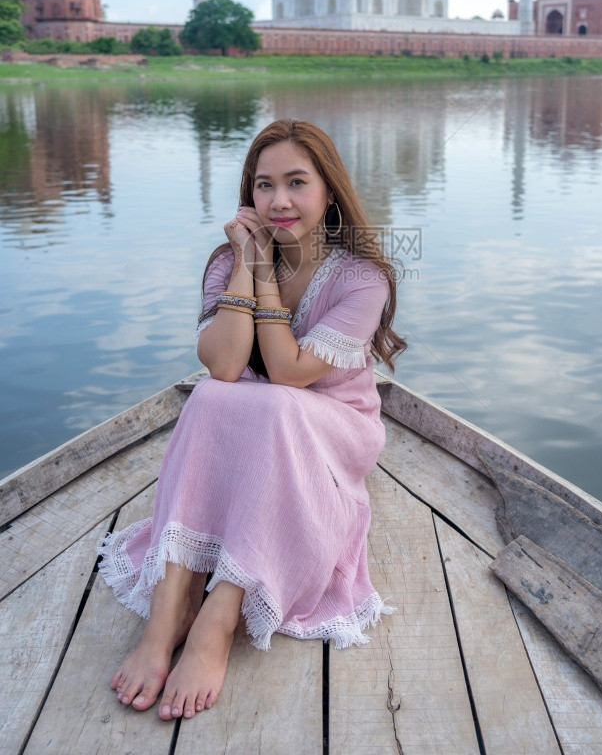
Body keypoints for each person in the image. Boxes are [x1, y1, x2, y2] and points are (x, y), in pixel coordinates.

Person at [100, 118, 406, 721]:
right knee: (213, 397)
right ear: (249, 194)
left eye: (297, 182)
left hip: (333, 428)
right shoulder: (226, 261)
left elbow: (290, 373)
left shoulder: (359, 277)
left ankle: (218, 616)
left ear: (328, 190)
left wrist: (266, 276)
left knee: (272, 400)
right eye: (264, 186)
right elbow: (225, 365)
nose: (280, 201)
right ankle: (169, 609)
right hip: (252, 418)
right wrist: (247, 263)